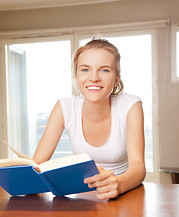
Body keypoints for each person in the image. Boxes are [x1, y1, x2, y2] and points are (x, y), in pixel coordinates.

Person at [33, 38, 146, 200]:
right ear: (76, 75)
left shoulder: (130, 105)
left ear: (116, 80)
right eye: (85, 69)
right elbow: (37, 164)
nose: (94, 78)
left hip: (124, 195)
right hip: (82, 197)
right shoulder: (64, 106)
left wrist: (118, 184)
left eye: (104, 70)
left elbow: (138, 167)